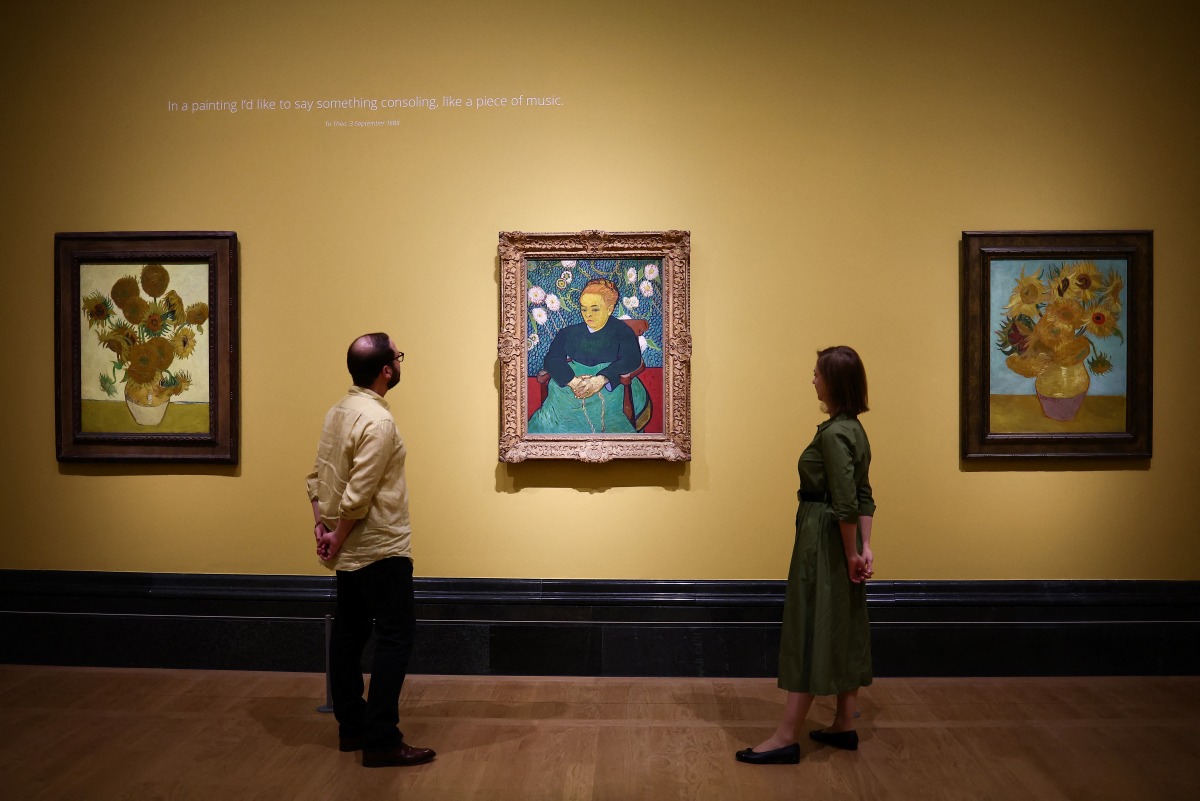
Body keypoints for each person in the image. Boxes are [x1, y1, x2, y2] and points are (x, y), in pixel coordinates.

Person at [736, 345, 875, 765]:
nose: (811, 379)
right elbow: (864, 496)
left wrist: (851, 553)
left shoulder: (834, 435)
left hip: (824, 536)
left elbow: (847, 502)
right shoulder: (853, 429)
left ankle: (785, 736)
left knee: (810, 625)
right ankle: (844, 723)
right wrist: (866, 548)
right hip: (842, 538)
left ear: (833, 381)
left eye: (816, 373)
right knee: (843, 623)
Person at [305, 333, 435, 768]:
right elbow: (358, 495)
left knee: (349, 635)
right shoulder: (378, 422)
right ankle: (381, 739)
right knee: (395, 638)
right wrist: (337, 536)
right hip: (380, 547)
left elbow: (317, 477)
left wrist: (323, 530)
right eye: (398, 357)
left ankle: (353, 729)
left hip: (350, 550)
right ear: (386, 370)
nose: (400, 363)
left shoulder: (338, 411)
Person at [527, 278, 650, 434]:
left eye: (595, 309)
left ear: (610, 309)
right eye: (584, 309)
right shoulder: (569, 333)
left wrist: (600, 379)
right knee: (559, 408)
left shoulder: (622, 331)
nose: (588, 315)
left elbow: (631, 359)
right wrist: (572, 381)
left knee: (603, 408)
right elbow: (552, 359)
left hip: (611, 382)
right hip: (572, 382)